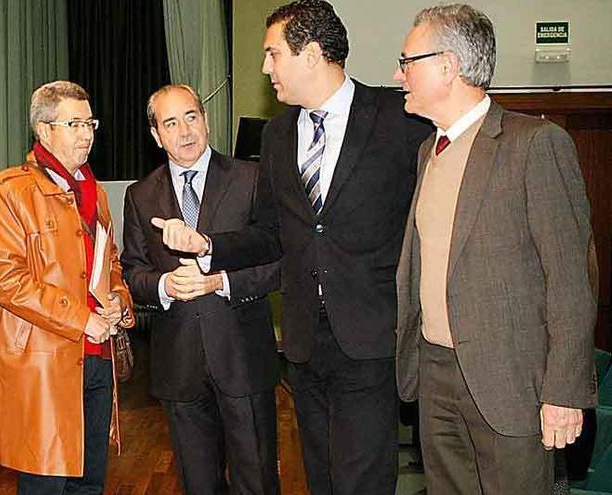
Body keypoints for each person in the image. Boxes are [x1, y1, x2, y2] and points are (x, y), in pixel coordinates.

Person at [149, 1, 431, 493]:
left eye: (272, 54)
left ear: (312, 54)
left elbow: (423, 222)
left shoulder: (397, 118)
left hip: (371, 335)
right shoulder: (278, 135)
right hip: (302, 343)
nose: (264, 68)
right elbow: (270, 234)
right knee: (320, 476)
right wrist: (209, 245)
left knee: (362, 480)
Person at [392, 4, 597, 493]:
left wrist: (564, 392)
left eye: (407, 61)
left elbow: (572, 279)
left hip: (511, 384)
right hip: (436, 375)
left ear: (448, 66)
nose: (398, 75)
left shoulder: (535, 145)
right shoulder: (428, 152)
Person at [121, 84, 281, 494]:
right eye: (170, 123)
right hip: (180, 368)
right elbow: (133, 273)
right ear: (156, 135)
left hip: (243, 358)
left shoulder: (252, 178)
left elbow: (279, 263)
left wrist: (221, 281)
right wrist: (165, 285)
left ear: (206, 121)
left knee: (257, 482)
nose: (184, 131)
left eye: (191, 116)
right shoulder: (140, 196)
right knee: (198, 485)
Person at [0, 80, 135, 495]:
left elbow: (112, 263)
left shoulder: (95, 192)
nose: (87, 133)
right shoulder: (11, 190)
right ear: (44, 130)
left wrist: (119, 301)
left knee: (90, 483)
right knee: (47, 483)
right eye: (74, 123)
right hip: (45, 366)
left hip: (98, 360)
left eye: (90, 123)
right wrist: (82, 319)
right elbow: (5, 278)